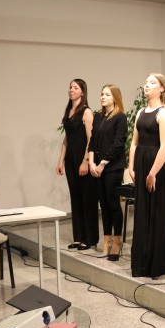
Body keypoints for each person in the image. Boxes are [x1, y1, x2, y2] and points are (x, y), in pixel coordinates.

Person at [128, 73, 165, 278]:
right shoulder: (140, 112)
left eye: (152, 83)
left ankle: (157, 264)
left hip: (158, 167)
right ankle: (141, 264)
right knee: (143, 213)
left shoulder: (164, 113)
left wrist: (152, 173)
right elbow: (134, 143)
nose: (147, 85)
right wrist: (131, 167)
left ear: (161, 89)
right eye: (146, 82)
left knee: (157, 213)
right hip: (142, 163)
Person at [56, 78, 99, 250]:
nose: (71, 90)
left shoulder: (86, 112)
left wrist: (85, 161)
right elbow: (67, 139)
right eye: (70, 87)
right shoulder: (69, 111)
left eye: (75, 87)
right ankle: (78, 237)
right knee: (75, 197)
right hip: (70, 159)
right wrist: (61, 161)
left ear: (82, 92)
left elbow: (91, 139)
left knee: (86, 198)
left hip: (83, 158)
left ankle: (89, 238)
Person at [88, 84, 128, 262]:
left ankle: (117, 243)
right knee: (103, 205)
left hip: (112, 167)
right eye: (102, 94)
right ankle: (106, 243)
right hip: (97, 166)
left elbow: (118, 144)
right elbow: (92, 142)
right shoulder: (98, 116)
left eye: (107, 95)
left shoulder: (120, 117)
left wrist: (103, 163)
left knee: (113, 204)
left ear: (115, 98)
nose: (103, 97)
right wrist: (91, 162)